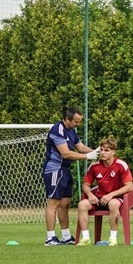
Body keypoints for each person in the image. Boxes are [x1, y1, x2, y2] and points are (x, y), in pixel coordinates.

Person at [43, 105, 98, 246]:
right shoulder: (57, 130)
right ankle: (50, 238)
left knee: (65, 204)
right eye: (76, 121)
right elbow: (66, 153)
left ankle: (66, 236)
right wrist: (87, 157)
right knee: (53, 203)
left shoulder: (71, 130)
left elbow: (80, 147)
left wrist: (98, 153)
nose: (77, 124)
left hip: (65, 171)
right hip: (55, 169)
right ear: (67, 119)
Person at [75, 137, 133, 246]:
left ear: (113, 152)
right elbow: (85, 185)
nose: (103, 153)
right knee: (82, 204)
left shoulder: (121, 165)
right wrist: (89, 194)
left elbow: (129, 186)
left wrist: (111, 195)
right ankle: (85, 238)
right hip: (99, 199)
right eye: (101, 149)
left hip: (116, 198)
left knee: (113, 204)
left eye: (106, 150)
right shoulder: (94, 166)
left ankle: (113, 239)